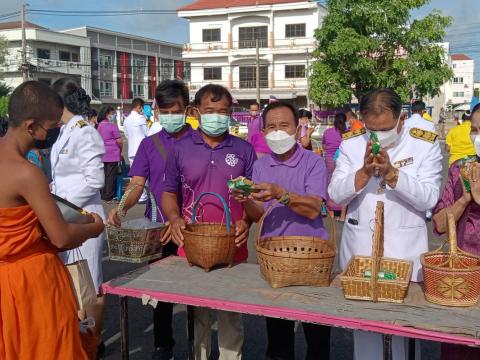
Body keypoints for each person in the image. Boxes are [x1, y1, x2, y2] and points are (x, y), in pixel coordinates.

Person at [329, 88, 443, 360]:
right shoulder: (352, 143)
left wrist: (393, 174)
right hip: (361, 254)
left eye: (386, 128)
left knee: (405, 336)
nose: (378, 136)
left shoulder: (424, 144)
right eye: (372, 129)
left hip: (404, 255)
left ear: (401, 119)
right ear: (363, 121)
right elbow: (335, 194)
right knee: (366, 337)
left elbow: (429, 198)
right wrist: (363, 174)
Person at [0, 81, 104, 359]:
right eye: (51, 127)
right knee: (44, 346)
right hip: (31, 279)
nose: (53, 134)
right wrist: (93, 227)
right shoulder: (26, 173)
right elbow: (59, 237)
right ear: (31, 126)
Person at [162, 84, 256, 360]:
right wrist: (175, 218)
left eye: (223, 111)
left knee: (231, 313)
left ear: (231, 114)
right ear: (196, 112)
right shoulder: (179, 149)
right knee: (197, 314)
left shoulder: (243, 150)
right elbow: (169, 193)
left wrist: (247, 221)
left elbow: (252, 198)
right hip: (191, 244)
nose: (216, 116)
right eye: (209, 110)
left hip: (233, 245)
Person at [233, 101, 331, 360]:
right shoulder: (262, 166)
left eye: (284, 125)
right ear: (263, 132)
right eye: (271, 127)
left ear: (298, 128)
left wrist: (282, 194)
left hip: (312, 258)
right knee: (278, 338)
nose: (277, 132)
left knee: (317, 336)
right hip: (273, 258)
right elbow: (259, 214)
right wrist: (247, 201)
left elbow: (313, 209)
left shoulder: (313, 162)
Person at [108, 80, 193, 360]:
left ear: (187, 109)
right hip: (158, 229)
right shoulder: (149, 144)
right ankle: (162, 344)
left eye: (175, 110)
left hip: (193, 228)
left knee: (198, 290)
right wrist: (120, 208)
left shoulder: (200, 141)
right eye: (164, 110)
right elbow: (136, 184)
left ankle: (198, 344)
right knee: (159, 292)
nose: (170, 116)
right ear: (156, 111)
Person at [50, 77, 107, 353]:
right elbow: (61, 177)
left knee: (89, 283)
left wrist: (64, 204)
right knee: (71, 283)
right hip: (65, 215)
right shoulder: (64, 131)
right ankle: (78, 335)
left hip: (84, 218)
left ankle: (93, 340)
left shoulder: (85, 131)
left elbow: (94, 180)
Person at [433, 103, 480, 360]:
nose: (477, 137)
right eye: (474, 130)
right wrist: (465, 199)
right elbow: (440, 224)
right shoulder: (459, 169)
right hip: (461, 276)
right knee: (458, 346)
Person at [322, 112, 347, 221]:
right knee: (343, 183)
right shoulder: (347, 133)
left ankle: (331, 211)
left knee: (330, 183)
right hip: (342, 160)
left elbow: (323, 146)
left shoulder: (327, 132)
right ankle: (342, 213)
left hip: (329, 160)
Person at [123, 98, 148, 202]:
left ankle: (132, 196)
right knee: (143, 174)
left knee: (133, 174)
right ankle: (143, 197)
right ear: (139, 107)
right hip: (142, 149)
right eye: (142, 107)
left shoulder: (126, 119)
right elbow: (147, 134)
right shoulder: (141, 118)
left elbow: (126, 134)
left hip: (131, 149)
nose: (142, 110)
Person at [97, 105, 122, 202]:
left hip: (103, 153)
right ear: (107, 114)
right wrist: (120, 150)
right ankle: (109, 195)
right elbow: (119, 141)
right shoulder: (112, 125)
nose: (114, 115)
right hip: (113, 153)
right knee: (111, 176)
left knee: (103, 174)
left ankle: (103, 193)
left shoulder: (100, 125)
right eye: (113, 113)